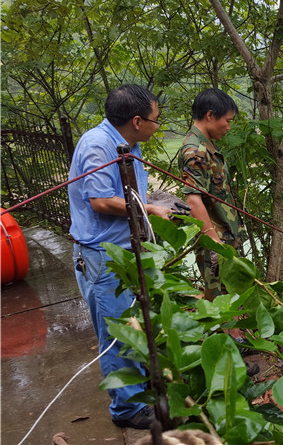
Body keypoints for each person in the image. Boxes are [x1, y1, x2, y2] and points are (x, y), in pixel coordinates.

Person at [68, 84, 172, 429]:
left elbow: (126, 190)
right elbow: (100, 201)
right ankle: (127, 410)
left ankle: (141, 391)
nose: (159, 127)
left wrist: (153, 200)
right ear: (138, 120)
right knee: (117, 334)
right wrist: (152, 210)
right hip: (102, 255)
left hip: (123, 250)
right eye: (157, 120)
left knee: (134, 323)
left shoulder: (129, 143)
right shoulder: (99, 145)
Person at [177, 88, 247, 300]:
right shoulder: (195, 151)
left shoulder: (207, 147)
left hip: (226, 235)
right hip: (215, 241)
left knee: (230, 293)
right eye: (227, 120)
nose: (229, 127)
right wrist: (214, 242)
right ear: (210, 115)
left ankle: (234, 333)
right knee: (220, 297)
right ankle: (233, 334)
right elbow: (193, 199)